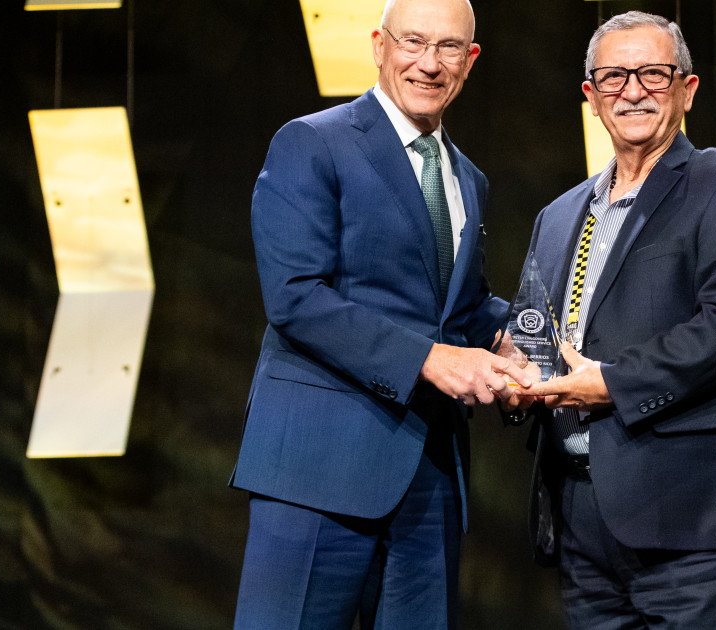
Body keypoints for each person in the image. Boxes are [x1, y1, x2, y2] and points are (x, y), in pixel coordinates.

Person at [229, 0, 530, 627]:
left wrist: (511, 341)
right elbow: (295, 297)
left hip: (430, 480)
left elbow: (461, 307)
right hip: (318, 473)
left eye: (449, 48)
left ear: (470, 61)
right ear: (378, 45)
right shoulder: (313, 142)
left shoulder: (468, 178)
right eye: (412, 41)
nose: (428, 63)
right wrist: (429, 358)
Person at [514, 11, 716, 628]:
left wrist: (611, 381)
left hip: (690, 515)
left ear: (687, 89)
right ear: (591, 97)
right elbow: (536, 329)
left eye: (653, 74)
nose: (632, 90)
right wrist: (512, 370)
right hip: (579, 512)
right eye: (613, 77)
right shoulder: (557, 216)